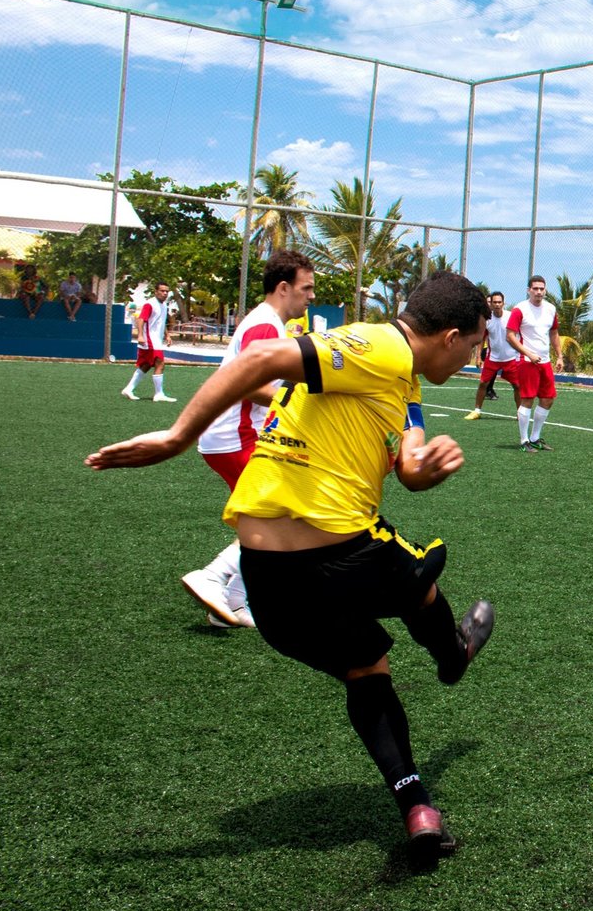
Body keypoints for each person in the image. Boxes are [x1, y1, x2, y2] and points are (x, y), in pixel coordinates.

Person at [86, 271, 496, 866]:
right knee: (419, 580)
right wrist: (178, 437)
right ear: (451, 335)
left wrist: (423, 470)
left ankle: (416, 806)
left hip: (269, 578)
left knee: (367, 665)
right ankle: (453, 657)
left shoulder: (401, 382)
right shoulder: (382, 345)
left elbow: (406, 460)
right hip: (339, 552)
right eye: (475, 347)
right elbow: (260, 356)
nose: (471, 360)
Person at [183, 250, 316, 629]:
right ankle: (214, 579)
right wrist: (296, 406)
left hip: (234, 435)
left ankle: (235, 604)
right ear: (283, 287)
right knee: (281, 516)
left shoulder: (270, 324)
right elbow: (255, 384)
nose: (310, 297)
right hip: (236, 436)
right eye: (306, 288)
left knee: (278, 515)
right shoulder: (265, 326)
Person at [504, 275, 559, 452]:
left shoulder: (551, 309)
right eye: (535, 288)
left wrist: (559, 356)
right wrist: (527, 353)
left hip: (545, 361)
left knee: (547, 399)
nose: (538, 292)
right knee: (527, 399)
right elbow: (510, 335)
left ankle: (535, 438)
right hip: (526, 361)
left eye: (541, 289)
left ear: (545, 290)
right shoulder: (520, 309)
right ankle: (524, 440)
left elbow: (554, 333)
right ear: (529, 290)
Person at [464, 291, 517, 421]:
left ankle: (520, 414)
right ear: (491, 304)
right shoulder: (487, 320)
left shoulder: (511, 317)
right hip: (492, 358)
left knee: (518, 386)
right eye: (495, 302)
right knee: (483, 383)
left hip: (511, 358)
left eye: (500, 302)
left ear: (504, 303)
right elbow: (482, 339)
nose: (497, 305)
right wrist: (477, 357)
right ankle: (477, 411)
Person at [122, 282, 177, 402]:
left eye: (167, 291)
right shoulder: (150, 304)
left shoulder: (163, 305)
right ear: (156, 292)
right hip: (149, 339)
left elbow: (161, 323)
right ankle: (159, 394)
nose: (165, 293)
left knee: (146, 365)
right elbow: (141, 320)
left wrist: (167, 335)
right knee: (160, 363)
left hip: (156, 340)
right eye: (162, 291)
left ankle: (128, 389)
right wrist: (140, 336)